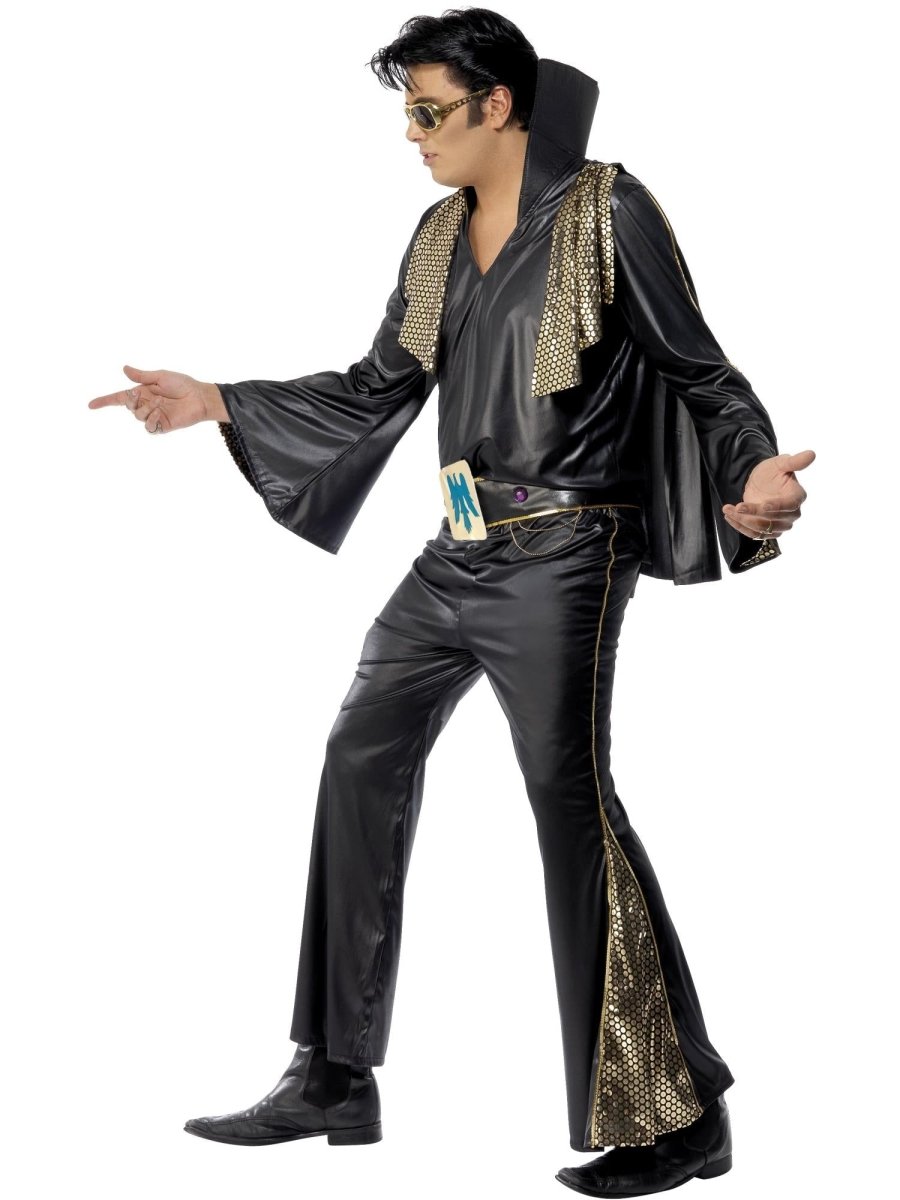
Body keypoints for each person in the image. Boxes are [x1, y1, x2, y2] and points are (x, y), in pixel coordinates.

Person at [87, 8, 813, 1196]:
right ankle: (333, 1073)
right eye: (408, 113)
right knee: (359, 753)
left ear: (498, 105)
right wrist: (220, 399)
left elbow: (702, 371)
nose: (413, 134)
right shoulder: (436, 236)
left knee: (568, 803)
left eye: (430, 111)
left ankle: (676, 1113)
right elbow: (381, 383)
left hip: (566, 551)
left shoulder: (607, 210)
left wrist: (752, 476)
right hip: (455, 553)